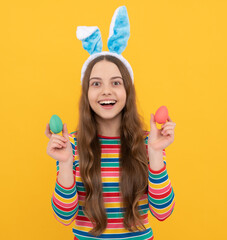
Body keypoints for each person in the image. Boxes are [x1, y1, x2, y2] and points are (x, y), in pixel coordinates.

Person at [45, 6, 176, 240]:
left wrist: (156, 153)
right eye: (96, 84)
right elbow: (64, 217)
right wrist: (65, 163)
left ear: (127, 90)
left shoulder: (148, 142)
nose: (106, 91)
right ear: (86, 93)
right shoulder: (71, 145)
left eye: (116, 83)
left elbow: (163, 212)